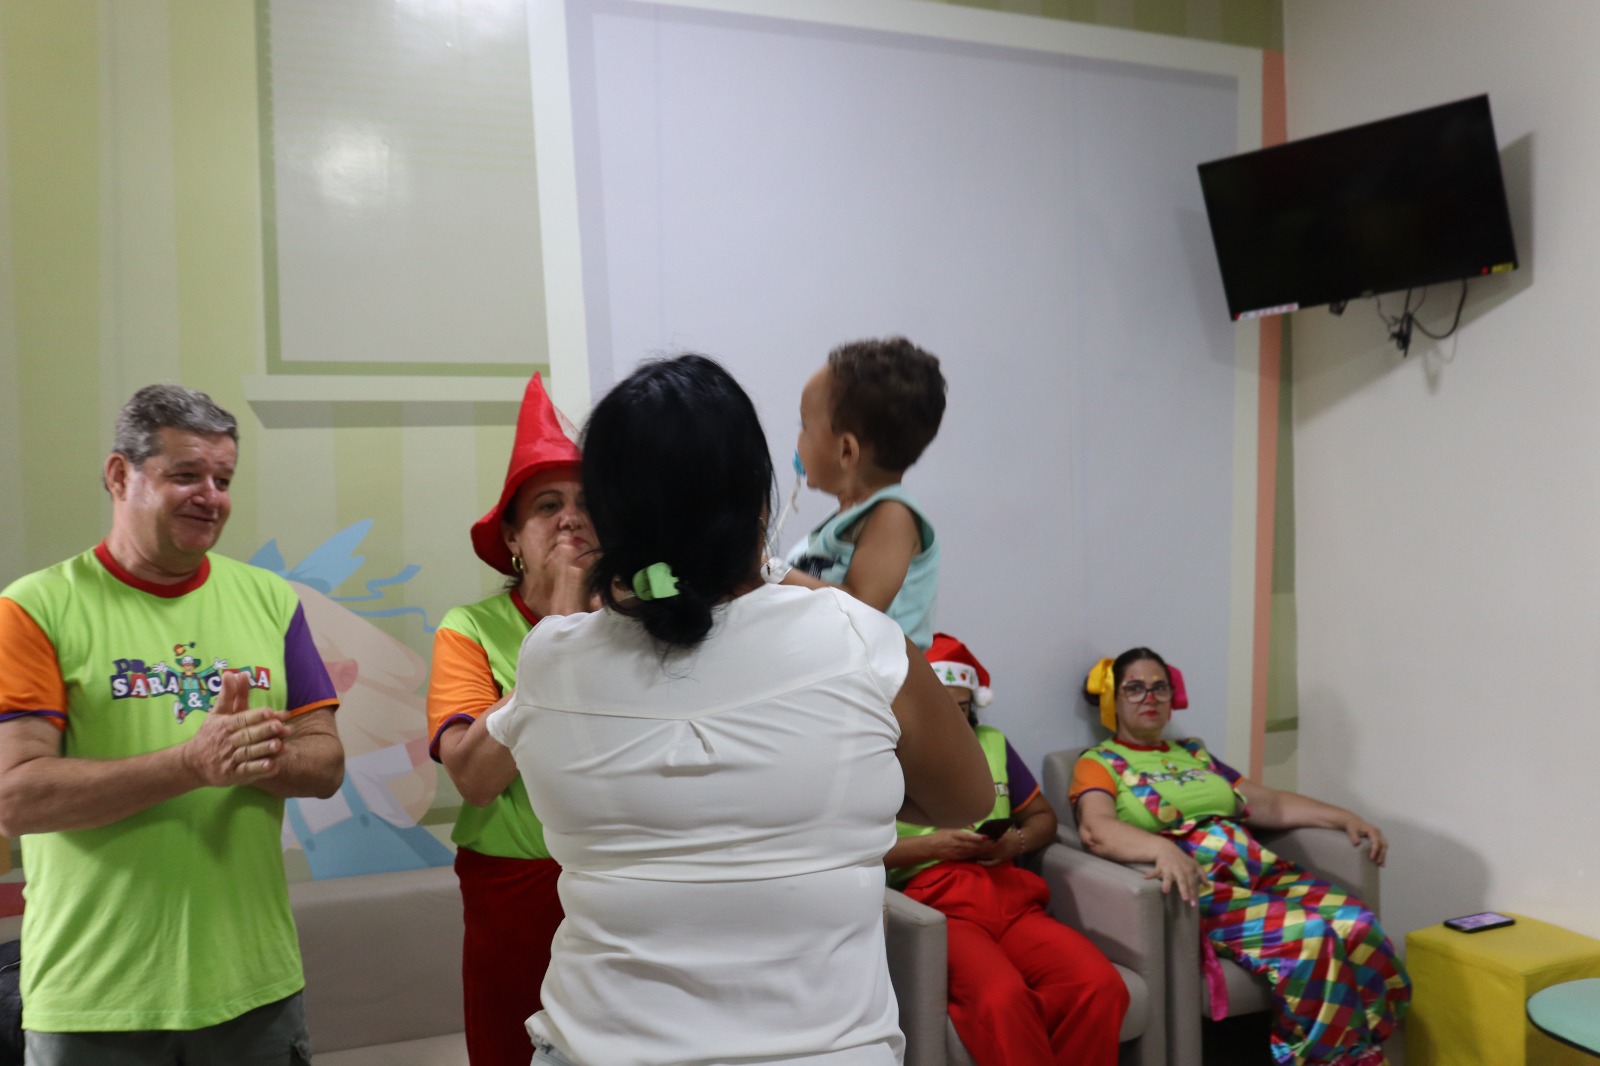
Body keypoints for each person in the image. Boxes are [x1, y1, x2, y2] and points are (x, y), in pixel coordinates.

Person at [471, 354, 993, 1066]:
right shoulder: (856, 638)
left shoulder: (550, 660)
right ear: (758, 502)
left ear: (607, 519)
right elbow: (967, 799)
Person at [0, 384, 344, 1065]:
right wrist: (191, 764)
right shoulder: (34, 608)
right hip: (94, 1001)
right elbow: (17, 797)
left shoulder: (272, 601)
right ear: (119, 475)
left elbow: (326, 764)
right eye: (186, 475)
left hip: (254, 992)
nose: (210, 497)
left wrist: (259, 756)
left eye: (223, 480)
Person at [1070, 647, 1410, 1066]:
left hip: (1263, 873)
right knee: (1308, 935)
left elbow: (1269, 804)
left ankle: (1365, 1047)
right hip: (1204, 890)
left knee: (1358, 924)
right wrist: (1161, 848)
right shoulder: (1099, 762)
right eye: (1134, 688)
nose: (1150, 698)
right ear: (1114, 698)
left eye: (1160, 688)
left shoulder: (1194, 754)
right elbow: (1096, 828)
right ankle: (1326, 1059)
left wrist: (1342, 817)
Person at [424, 373, 592, 1066]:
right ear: (513, 539)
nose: (571, 519)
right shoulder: (469, 629)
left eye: (587, 505)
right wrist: (557, 637)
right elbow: (474, 777)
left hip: (618, 885)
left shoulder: (636, 626)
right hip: (514, 898)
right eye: (549, 505)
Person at [888, 633, 1127, 1066]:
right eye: (943, 708)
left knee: (1099, 984)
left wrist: (1015, 841)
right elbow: (860, 852)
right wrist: (934, 846)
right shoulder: (888, 753)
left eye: (963, 708)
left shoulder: (992, 742)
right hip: (940, 905)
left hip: (1010, 896)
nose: (955, 721)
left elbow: (1042, 818)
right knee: (1002, 999)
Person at [775, 336, 945, 649]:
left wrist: (771, 572)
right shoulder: (847, 518)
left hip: (883, 678)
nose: (798, 437)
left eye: (805, 425)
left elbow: (860, 607)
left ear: (846, 451)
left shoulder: (893, 516)